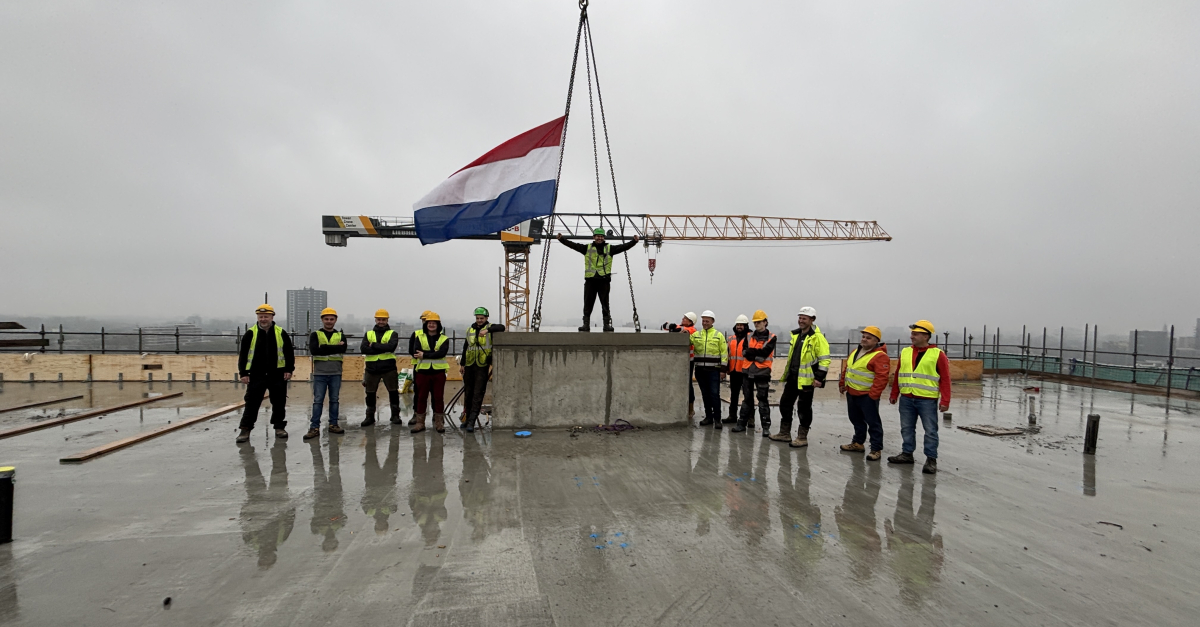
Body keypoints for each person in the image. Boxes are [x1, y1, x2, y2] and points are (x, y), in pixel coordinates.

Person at [889, 320, 951, 474]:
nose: (912, 336)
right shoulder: (905, 352)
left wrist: (945, 400)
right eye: (912, 333)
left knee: (930, 430)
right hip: (906, 398)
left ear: (926, 336)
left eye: (915, 334)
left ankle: (931, 459)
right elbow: (898, 374)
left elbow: (945, 379)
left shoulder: (937, 354)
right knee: (906, 428)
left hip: (927, 399)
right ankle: (907, 453)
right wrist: (894, 393)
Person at [556, 228, 639, 332]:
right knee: (588, 303)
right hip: (590, 280)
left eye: (601, 236)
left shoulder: (610, 248)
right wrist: (562, 239)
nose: (599, 238)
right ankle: (586, 325)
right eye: (598, 236)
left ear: (604, 237)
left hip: (603, 280)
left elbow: (623, 247)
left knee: (605, 303)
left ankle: (606, 325)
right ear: (594, 237)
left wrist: (634, 241)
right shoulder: (587, 248)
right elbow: (573, 245)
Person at [772, 306, 830, 448]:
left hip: (807, 380)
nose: (801, 321)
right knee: (785, 404)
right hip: (793, 377)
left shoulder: (817, 338)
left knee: (804, 408)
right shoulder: (797, 335)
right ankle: (784, 433)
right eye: (800, 318)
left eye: (804, 318)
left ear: (812, 320)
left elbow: (825, 360)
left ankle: (802, 437)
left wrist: (819, 378)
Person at [236, 304, 295, 443]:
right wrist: (243, 373)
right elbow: (243, 355)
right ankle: (245, 429)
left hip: (277, 374)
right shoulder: (251, 333)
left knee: (279, 402)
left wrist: (289, 369)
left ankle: (279, 427)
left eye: (266, 316)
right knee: (252, 403)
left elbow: (288, 353)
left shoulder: (281, 333)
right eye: (261, 316)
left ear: (272, 317)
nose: (263, 319)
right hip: (256, 374)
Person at [838, 326, 890, 460]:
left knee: (873, 423)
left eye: (869, 338)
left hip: (867, 395)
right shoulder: (856, 351)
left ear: (876, 341)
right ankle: (858, 443)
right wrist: (842, 383)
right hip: (852, 392)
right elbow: (848, 368)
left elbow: (881, 378)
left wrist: (873, 395)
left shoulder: (880, 356)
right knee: (856, 420)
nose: (864, 339)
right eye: (863, 337)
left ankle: (876, 449)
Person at [459, 306, 505, 433]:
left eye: (482, 318)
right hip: (470, 365)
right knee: (468, 393)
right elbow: (466, 347)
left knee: (477, 394)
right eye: (478, 318)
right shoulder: (470, 330)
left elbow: (501, 327)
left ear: (486, 318)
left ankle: (472, 421)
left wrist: (487, 331)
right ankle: (467, 419)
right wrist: (462, 364)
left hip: (482, 365)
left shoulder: (490, 328)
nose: (479, 320)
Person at [305, 307, 347, 440]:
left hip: (335, 372)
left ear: (335, 320)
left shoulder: (340, 335)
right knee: (318, 400)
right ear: (322, 320)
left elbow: (343, 349)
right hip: (320, 373)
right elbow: (314, 351)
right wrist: (335, 347)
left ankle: (333, 424)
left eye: (331, 319)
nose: (329, 321)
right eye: (326, 319)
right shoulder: (315, 335)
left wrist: (323, 347)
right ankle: (314, 427)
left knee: (334, 400)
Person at [735, 310, 776, 435]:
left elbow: (764, 353)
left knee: (762, 400)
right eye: (755, 322)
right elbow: (744, 352)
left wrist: (752, 353)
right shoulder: (749, 336)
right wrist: (757, 355)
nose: (757, 324)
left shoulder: (772, 337)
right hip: (747, 371)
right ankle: (741, 424)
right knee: (747, 399)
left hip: (762, 372)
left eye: (759, 322)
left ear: (765, 322)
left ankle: (766, 427)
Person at [410, 311, 450, 433]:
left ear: (438, 325)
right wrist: (433, 353)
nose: (431, 325)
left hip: (438, 372)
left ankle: (439, 423)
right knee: (421, 397)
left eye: (434, 323)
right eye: (429, 323)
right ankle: (420, 423)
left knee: (438, 397)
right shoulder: (419, 337)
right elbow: (416, 352)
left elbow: (442, 353)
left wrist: (425, 354)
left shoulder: (444, 339)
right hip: (423, 372)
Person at [359, 309, 400, 428]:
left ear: (387, 320)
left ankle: (395, 415)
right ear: (375, 320)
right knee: (370, 393)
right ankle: (370, 416)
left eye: (383, 319)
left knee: (393, 392)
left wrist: (373, 345)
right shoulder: (368, 334)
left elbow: (391, 347)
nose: (381, 322)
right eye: (379, 319)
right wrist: (382, 348)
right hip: (372, 369)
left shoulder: (392, 334)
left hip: (388, 368)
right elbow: (364, 349)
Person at [691, 311, 728, 429]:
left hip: (714, 371)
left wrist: (723, 370)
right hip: (700, 370)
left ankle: (717, 419)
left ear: (712, 321)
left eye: (707, 321)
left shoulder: (718, 335)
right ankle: (708, 417)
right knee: (705, 395)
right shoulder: (696, 335)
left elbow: (724, 353)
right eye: (703, 321)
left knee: (714, 395)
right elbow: (686, 340)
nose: (705, 323)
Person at [662, 312, 698, 419]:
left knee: (688, 384)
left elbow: (681, 330)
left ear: (690, 322)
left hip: (688, 361)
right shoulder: (682, 327)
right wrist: (671, 326)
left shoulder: (693, 330)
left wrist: (673, 327)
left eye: (685, 318)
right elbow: (665, 326)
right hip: (679, 360)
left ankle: (690, 408)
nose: (683, 319)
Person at [725, 315, 751, 425]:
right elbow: (727, 354)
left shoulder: (750, 338)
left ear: (746, 326)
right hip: (734, 371)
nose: (739, 327)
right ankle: (732, 416)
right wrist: (726, 368)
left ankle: (750, 418)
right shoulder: (731, 338)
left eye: (741, 325)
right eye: (738, 325)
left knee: (748, 396)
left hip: (746, 371)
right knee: (734, 395)